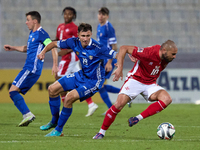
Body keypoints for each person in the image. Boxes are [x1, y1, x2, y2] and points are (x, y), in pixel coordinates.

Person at [37, 23, 118, 137]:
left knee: (69, 98)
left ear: (91, 35)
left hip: (94, 81)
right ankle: (54, 121)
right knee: (52, 89)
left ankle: (58, 130)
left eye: (88, 36)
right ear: (78, 35)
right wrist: (42, 52)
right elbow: (54, 43)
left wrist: (119, 65)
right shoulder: (73, 42)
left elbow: (116, 54)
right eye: (83, 35)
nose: (85, 39)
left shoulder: (98, 47)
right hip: (81, 75)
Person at [93, 40, 178, 139]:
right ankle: (101, 132)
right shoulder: (149, 53)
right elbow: (123, 48)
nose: (174, 57)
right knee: (119, 104)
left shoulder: (165, 57)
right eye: (173, 54)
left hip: (150, 84)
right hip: (135, 80)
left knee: (167, 99)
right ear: (164, 50)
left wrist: (138, 58)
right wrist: (120, 68)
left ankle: (137, 118)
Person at [4, 11, 53, 127]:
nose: (26, 22)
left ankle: (27, 114)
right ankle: (26, 114)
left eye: (28, 20)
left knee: (12, 91)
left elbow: (50, 44)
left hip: (31, 68)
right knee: (15, 92)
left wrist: (45, 53)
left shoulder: (41, 33)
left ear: (35, 21)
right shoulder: (33, 33)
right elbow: (28, 48)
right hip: (31, 69)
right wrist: (13, 47)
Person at [55, 7, 98, 115]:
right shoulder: (60, 27)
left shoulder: (74, 28)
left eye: (69, 14)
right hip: (68, 59)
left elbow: (77, 43)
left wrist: (65, 52)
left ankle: (64, 107)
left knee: (58, 79)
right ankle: (91, 104)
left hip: (70, 58)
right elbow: (56, 40)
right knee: (80, 80)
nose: (67, 16)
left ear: (74, 16)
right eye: (65, 14)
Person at [85, 7, 121, 117]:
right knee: (100, 86)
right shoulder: (99, 26)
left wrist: (109, 62)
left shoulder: (108, 27)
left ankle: (112, 107)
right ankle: (123, 94)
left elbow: (114, 46)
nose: (101, 16)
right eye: (100, 14)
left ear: (107, 16)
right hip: (101, 60)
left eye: (103, 14)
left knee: (99, 86)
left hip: (107, 60)